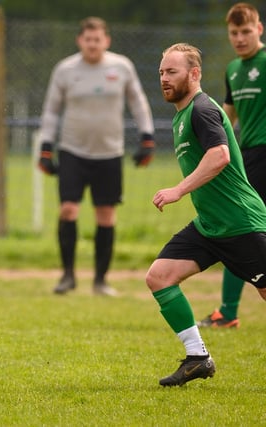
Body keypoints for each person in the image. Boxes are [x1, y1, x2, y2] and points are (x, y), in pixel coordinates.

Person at [150, 42, 266, 387]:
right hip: (210, 227)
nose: (164, 79)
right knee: (159, 277)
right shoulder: (182, 115)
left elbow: (220, 156)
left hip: (240, 223)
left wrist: (178, 190)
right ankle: (198, 357)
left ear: (194, 73)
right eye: (161, 73)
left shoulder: (201, 109)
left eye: (172, 72)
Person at [37, 16, 155, 296]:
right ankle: (67, 276)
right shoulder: (65, 69)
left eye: (98, 39)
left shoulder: (122, 66)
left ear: (107, 40)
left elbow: (138, 102)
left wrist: (147, 137)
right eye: (88, 39)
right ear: (80, 41)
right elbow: (52, 110)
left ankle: (101, 281)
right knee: (68, 209)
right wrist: (45, 146)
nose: (93, 44)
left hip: (109, 153)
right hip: (72, 151)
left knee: (106, 214)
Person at [198, 2, 266, 329]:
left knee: (240, 231)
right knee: (239, 229)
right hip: (250, 157)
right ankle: (227, 311)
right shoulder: (233, 70)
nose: (239, 38)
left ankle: (227, 311)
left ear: (259, 29)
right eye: (234, 33)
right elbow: (229, 113)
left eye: (246, 31)